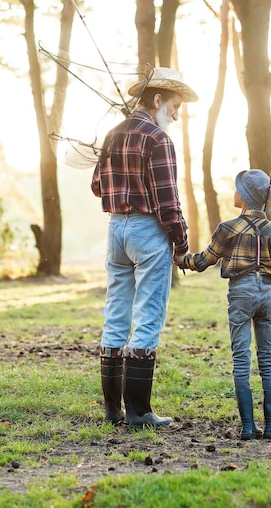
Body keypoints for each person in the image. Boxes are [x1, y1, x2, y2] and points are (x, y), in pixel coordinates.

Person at [91, 67, 198, 428]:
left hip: (115, 231)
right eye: (175, 105)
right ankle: (139, 411)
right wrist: (181, 244)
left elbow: (96, 186)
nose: (177, 114)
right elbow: (168, 203)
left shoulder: (112, 134)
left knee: (116, 313)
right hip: (147, 231)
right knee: (149, 315)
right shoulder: (157, 139)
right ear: (156, 100)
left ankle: (112, 409)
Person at [174, 169, 271, 440]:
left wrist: (181, 260)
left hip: (240, 292)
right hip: (266, 293)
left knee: (242, 358)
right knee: (268, 358)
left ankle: (248, 427)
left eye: (238, 189)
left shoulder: (227, 228)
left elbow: (204, 260)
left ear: (247, 196)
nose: (235, 192)